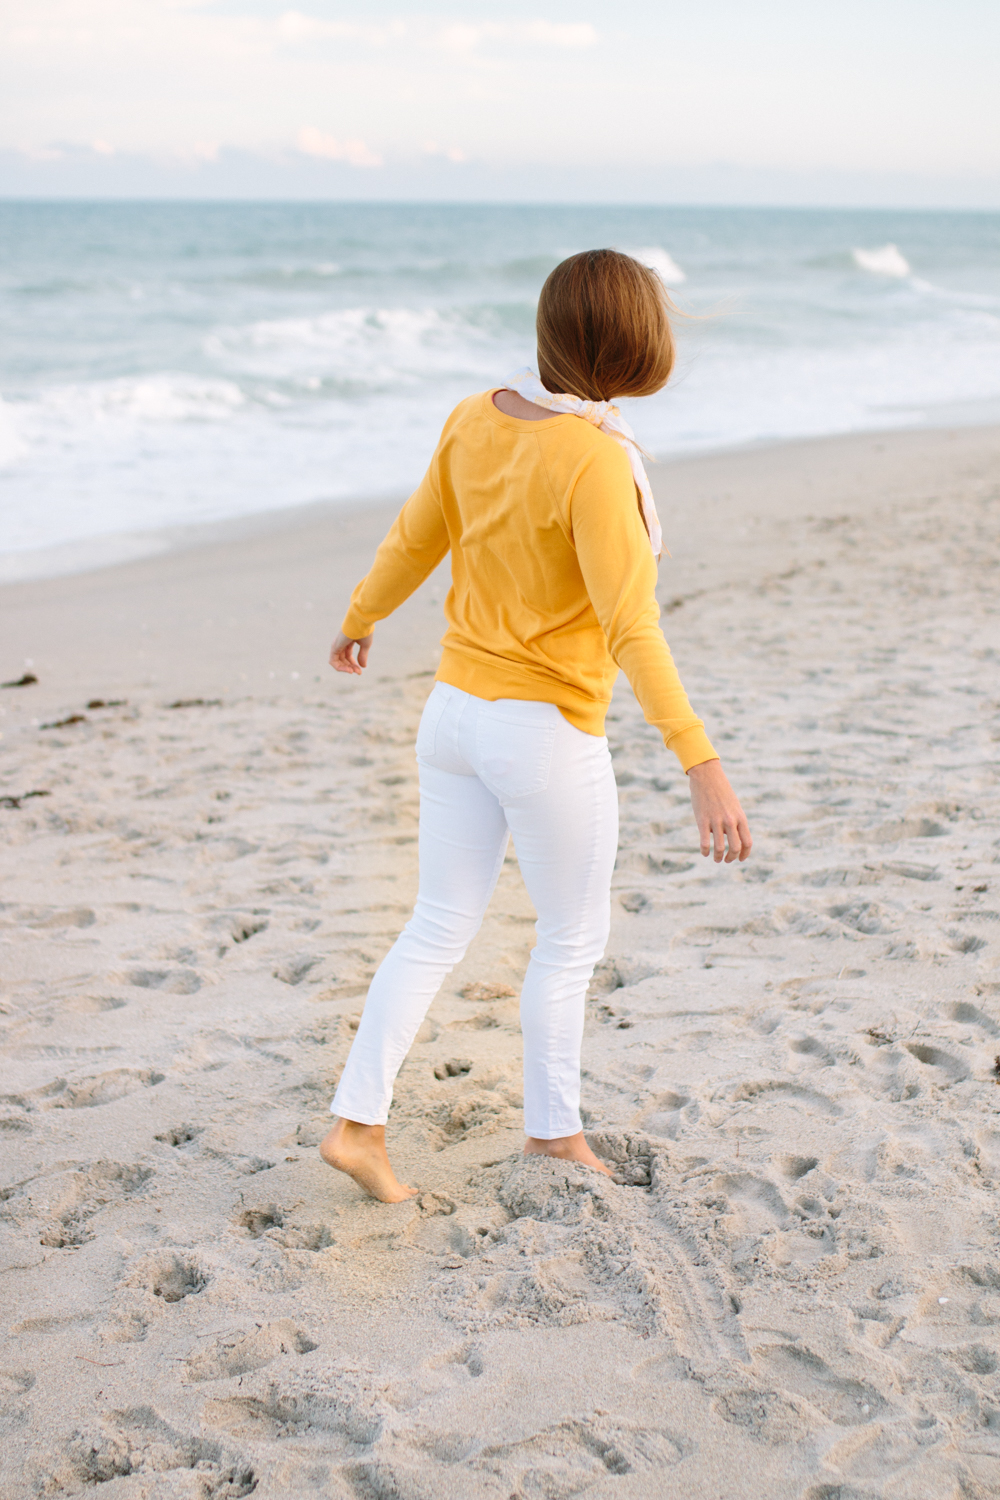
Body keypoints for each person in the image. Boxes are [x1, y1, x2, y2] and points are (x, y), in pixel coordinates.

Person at [320, 248, 751, 1203]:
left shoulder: (475, 417)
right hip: (543, 730)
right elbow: (631, 626)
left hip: (453, 717)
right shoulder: (597, 460)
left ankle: (359, 1126)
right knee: (568, 936)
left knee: (436, 926)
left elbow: (414, 536)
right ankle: (555, 1138)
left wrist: (359, 617)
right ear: (637, 343)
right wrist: (700, 758)